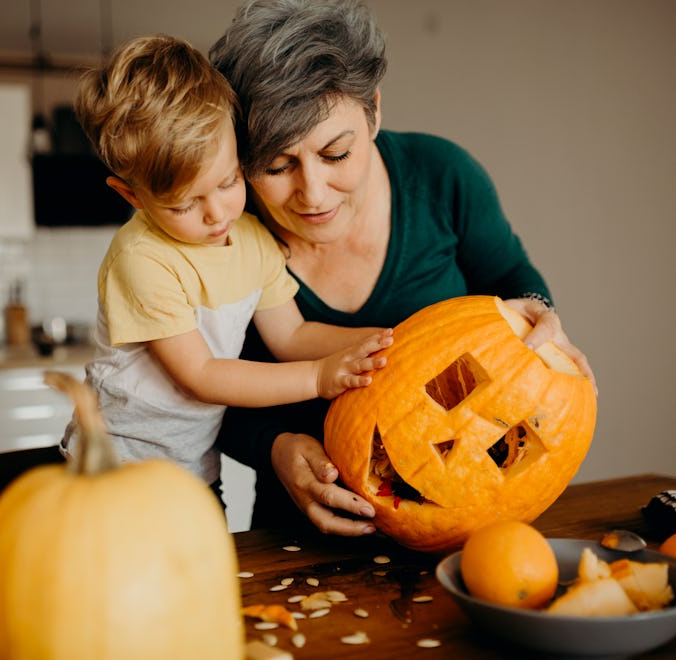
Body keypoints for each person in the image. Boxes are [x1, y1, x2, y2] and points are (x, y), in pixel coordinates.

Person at [209, 0, 597, 534]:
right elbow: (200, 387)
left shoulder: (443, 177)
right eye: (276, 166)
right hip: (296, 535)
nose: (312, 193)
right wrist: (276, 448)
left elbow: (514, 281)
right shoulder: (222, 231)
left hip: (466, 529)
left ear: (373, 110)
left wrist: (543, 315)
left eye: (336, 154)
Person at [59, 34, 393, 502]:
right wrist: (318, 378)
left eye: (229, 181)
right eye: (185, 204)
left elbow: (292, 336)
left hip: (194, 470)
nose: (217, 213)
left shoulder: (252, 238)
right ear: (130, 195)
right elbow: (201, 374)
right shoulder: (142, 260)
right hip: (117, 472)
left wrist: (392, 344)